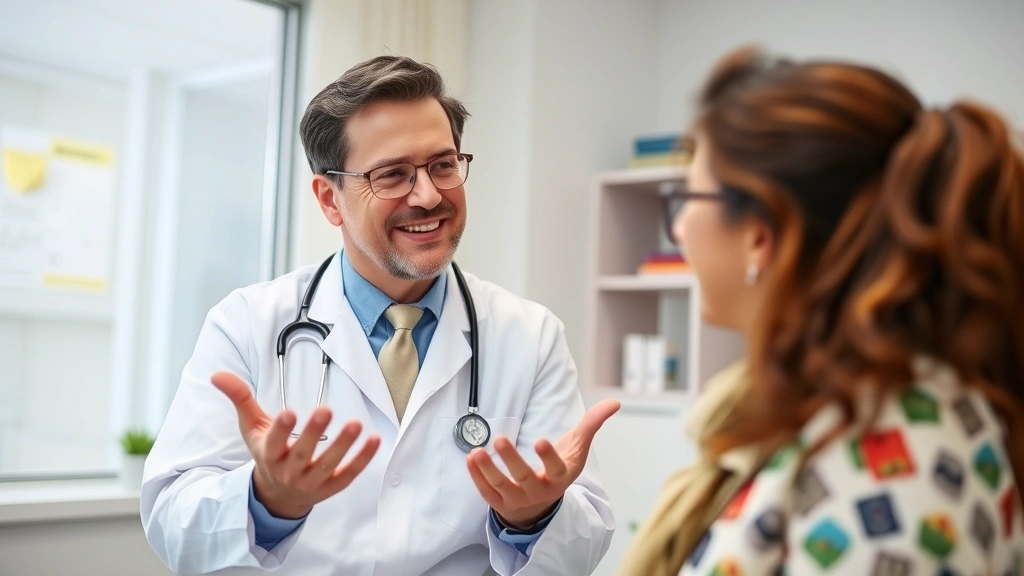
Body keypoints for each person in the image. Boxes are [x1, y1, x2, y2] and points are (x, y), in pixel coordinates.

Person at [141, 55, 619, 576]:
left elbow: (582, 546)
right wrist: (266, 502)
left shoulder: (530, 336)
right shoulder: (247, 325)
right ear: (329, 198)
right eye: (392, 175)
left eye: (443, 164)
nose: (430, 195)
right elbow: (172, 520)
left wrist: (533, 517)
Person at [619, 46, 1024, 575]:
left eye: (690, 197)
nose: (679, 229)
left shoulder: (893, 466)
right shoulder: (844, 406)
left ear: (761, 236)